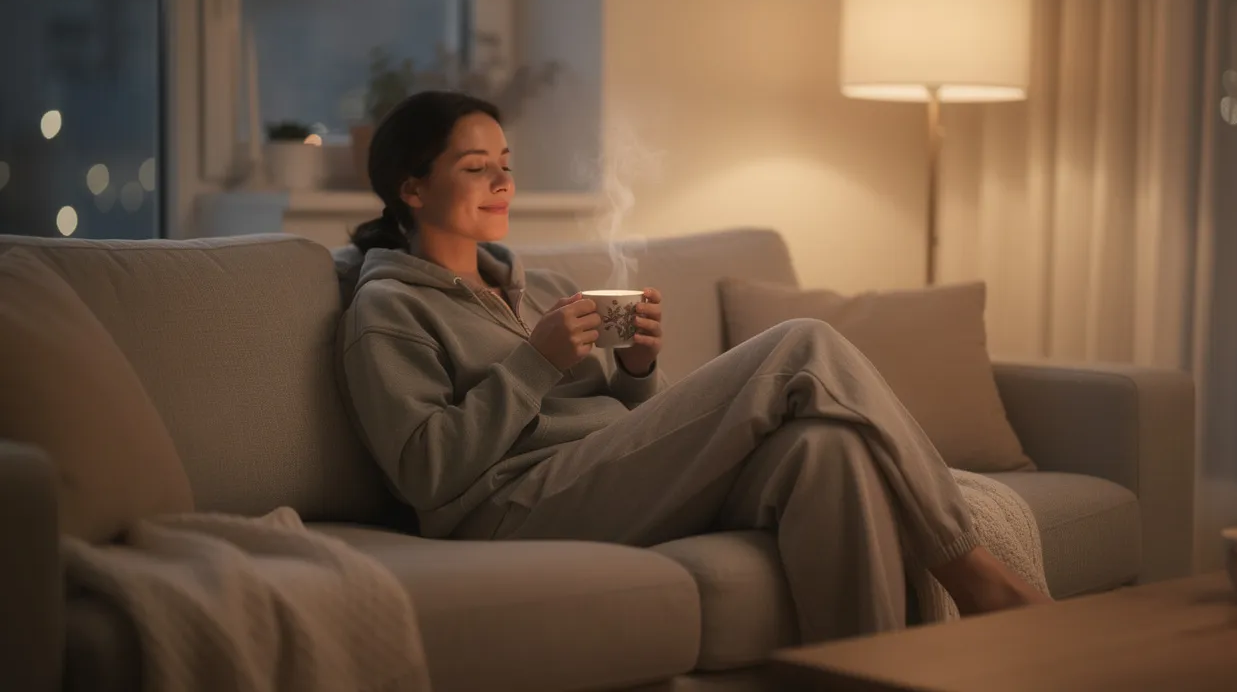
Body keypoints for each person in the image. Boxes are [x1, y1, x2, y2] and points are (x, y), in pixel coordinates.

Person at [339, 90, 1050, 642]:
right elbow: (424, 473)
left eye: (506, 165)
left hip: (596, 477)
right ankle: (973, 570)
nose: (501, 182)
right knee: (801, 344)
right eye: (475, 168)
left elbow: (639, 430)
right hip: (508, 511)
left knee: (826, 449)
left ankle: (876, 675)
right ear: (411, 187)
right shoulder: (388, 309)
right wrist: (534, 363)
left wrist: (640, 369)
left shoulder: (543, 288)